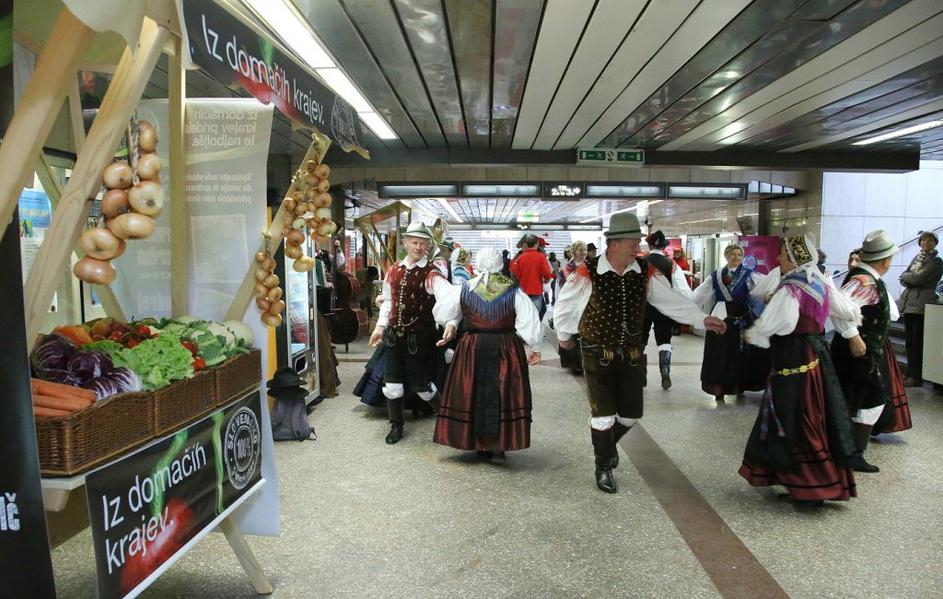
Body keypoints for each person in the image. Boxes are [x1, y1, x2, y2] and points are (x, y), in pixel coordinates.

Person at [554, 213, 726, 494]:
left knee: (631, 415)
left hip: (633, 352)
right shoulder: (588, 271)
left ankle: (607, 445)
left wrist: (701, 318)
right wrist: (564, 338)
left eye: (638, 242)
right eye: (633, 242)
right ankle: (603, 466)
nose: (638, 247)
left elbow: (670, 300)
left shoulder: (644, 270)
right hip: (597, 351)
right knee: (603, 414)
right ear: (614, 243)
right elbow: (566, 305)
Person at [739, 235, 861, 508]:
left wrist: (756, 334)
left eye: (782, 255)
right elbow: (846, 310)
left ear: (794, 259)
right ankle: (810, 482)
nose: (778, 258)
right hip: (816, 355)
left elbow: (783, 322)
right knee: (815, 414)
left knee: (795, 417)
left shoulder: (791, 287)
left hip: (792, 356)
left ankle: (809, 486)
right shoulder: (819, 281)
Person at [432, 248, 542, 460]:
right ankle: (499, 444)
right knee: (503, 391)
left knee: (471, 390)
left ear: (477, 264)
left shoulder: (465, 288)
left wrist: (452, 323)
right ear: (501, 265)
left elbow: (445, 311)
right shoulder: (513, 290)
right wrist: (534, 346)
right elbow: (529, 319)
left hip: (472, 347)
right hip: (505, 347)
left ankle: (474, 440)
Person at [368, 222, 457, 445]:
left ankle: (447, 420)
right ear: (405, 243)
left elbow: (449, 298)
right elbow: (388, 301)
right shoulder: (394, 270)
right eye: (414, 242)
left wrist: (450, 322)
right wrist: (379, 327)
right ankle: (396, 425)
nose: (418, 247)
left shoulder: (432, 273)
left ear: (428, 246)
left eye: (423, 243)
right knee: (392, 385)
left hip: (420, 339)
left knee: (422, 387)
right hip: (393, 337)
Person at [830, 230, 901, 473]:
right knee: (872, 400)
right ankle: (851, 453)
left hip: (861, 353)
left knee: (861, 400)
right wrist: (853, 336)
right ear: (886, 260)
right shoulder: (865, 282)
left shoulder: (867, 279)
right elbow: (837, 307)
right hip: (858, 353)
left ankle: (849, 451)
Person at [692, 244, 770, 402]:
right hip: (721, 315)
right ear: (726, 256)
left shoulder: (749, 274)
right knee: (720, 353)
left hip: (742, 316)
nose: (736, 257)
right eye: (733, 254)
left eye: (739, 254)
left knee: (741, 353)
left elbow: (764, 287)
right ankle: (719, 388)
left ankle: (740, 385)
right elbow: (700, 294)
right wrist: (686, 306)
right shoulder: (716, 275)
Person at [642, 231, 692, 390]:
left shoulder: (639, 263)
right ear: (663, 247)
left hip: (643, 307)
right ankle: (665, 371)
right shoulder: (672, 265)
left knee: (640, 340)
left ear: (649, 245)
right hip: (664, 307)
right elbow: (682, 289)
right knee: (664, 339)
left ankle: (640, 375)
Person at [898, 231, 942, 387]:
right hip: (909, 304)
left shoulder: (936, 261)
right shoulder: (917, 258)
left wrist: (908, 278)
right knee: (910, 342)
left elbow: (918, 278)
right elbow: (903, 276)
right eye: (923, 240)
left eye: (929, 240)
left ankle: (916, 377)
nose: (925, 242)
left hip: (922, 305)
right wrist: (909, 278)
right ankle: (911, 373)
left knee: (917, 343)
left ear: (935, 243)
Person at [556, 241, 589, 374]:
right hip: (570, 303)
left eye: (585, 249)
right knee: (570, 331)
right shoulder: (567, 268)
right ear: (574, 251)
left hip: (585, 302)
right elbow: (562, 286)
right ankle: (573, 363)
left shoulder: (590, 265)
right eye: (581, 250)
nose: (583, 252)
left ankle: (583, 362)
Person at [510, 235, 553, 320]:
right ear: (536, 244)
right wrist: (546, 279)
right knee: (536, 317)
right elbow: (547, 273)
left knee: (525, 316)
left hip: (523, 292)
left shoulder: (520, 258)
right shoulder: (541, 257)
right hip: (536, 291)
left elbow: (516, 274)